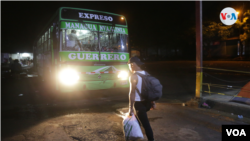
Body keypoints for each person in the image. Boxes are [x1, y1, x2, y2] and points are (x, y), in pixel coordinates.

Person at [127, 56, 155, 141]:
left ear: (133, 64)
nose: (130, 67)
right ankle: (135, 136)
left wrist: (130, 108)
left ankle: (151, 140)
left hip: (139, 104)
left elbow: (132, 93)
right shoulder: (147, 74)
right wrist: (153, 102)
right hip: (147, 104)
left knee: (146, 125)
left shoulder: (134, 76)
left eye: (130, 65)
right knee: (138, 120)